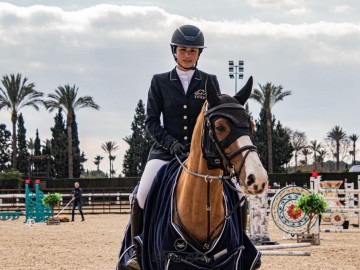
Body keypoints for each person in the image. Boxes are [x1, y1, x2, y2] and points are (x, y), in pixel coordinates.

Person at [126, 25, 220, 269]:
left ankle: (242, 246)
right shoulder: (159, 82)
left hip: (202, 155)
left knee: (238, 194)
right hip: (166, 152)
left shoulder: (210, 81)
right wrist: (171, 143)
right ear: (174, 52)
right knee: (142, 194)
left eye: (193, 50)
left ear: (199, 54)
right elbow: (150, 122)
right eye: (183, 50)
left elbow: (217, 119)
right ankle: (137, 251)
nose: (187, 55)